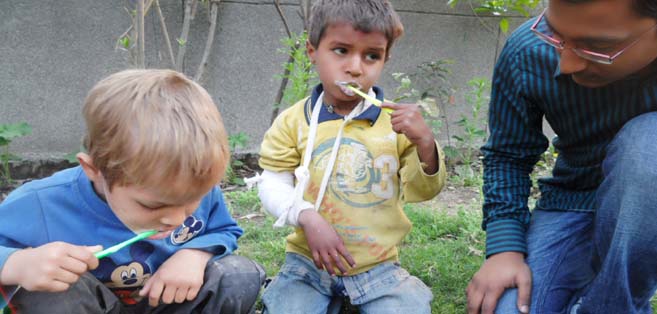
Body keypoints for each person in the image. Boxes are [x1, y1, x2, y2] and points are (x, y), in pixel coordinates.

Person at [0, 69, 265, 313]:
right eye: (153, 206)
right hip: (91, 306)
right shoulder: (40, 204)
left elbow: (224, 230)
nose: (176, 219)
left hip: (167, 303)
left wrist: (194, 254)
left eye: (191, 202)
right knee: (51, 293)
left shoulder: (191, 186)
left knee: (237, 276)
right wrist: (17, 263)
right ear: (94, 170)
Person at [247, 0, 447, 313]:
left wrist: (424, 143)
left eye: (372, 55)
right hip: (307, 266)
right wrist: (305, 215)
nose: (356, 67)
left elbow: (424, 190)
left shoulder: (396, 126)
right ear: (313, 52)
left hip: (378, 266)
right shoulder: (293, 121)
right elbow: (273, 181)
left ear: (386, 59)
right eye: (341, 50)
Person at [465, 0, 657, 313]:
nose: (565, 65)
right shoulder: (527, 51)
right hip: (572, 201)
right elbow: (507, 156)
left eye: (597, 46)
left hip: (650, 200)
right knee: (512, 307)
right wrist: (505, 250)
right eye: (556, 34)